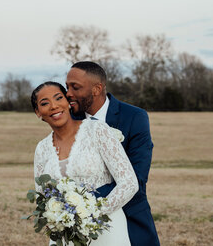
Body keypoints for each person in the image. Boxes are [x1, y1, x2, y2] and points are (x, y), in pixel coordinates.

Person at [31, 81, 138, 245]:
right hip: (66, 234)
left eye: (58, 98)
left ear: (68, 102)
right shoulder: (42, 148)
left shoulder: (98, 130)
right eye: (44, 103)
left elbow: (129, 183)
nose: (53, 106)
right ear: (38, 113)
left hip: (107, 228)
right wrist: (59, 219)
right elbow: (42, 196)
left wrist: (91, 214)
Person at [66, 61, 160, 246]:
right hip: (77, 224)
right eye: (67, 86)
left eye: (75, 87)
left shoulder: (134, 117)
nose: (68, 93)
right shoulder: (69, 120)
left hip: (129, 215)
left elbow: (138, 178)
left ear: (96, 89)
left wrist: (82, 203)